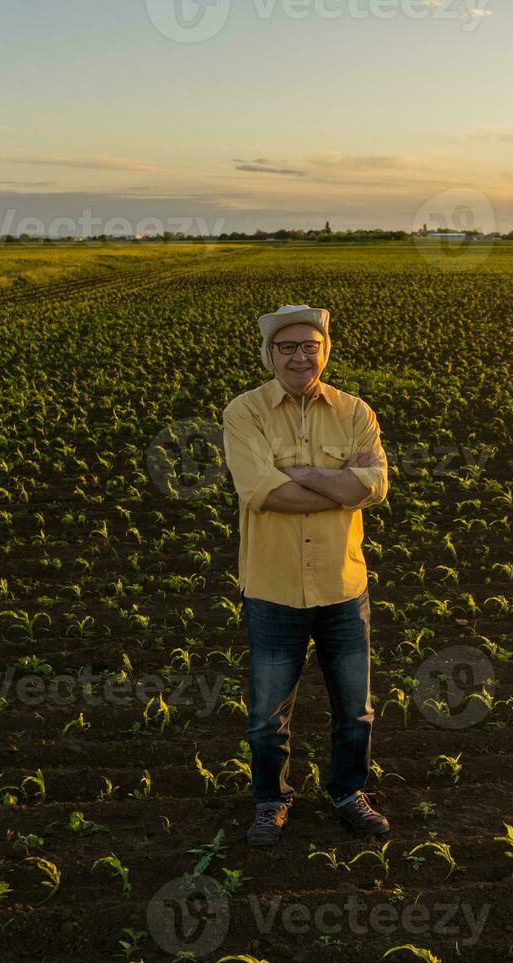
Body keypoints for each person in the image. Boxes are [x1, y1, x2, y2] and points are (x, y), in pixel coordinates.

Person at [222, 304, 390, 846]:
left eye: (310, 346)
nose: (300, 355)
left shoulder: (355, 410)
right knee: (267, 714)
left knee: (355, 709)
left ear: (325, 351)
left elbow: (374, 487)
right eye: (288, 347)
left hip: (343, 586)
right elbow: (261, 493)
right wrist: (337, 482)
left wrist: (302, 473)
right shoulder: (244, 413)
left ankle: (347, 792)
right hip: (273, 589)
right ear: (269, 354)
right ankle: (271, 801)